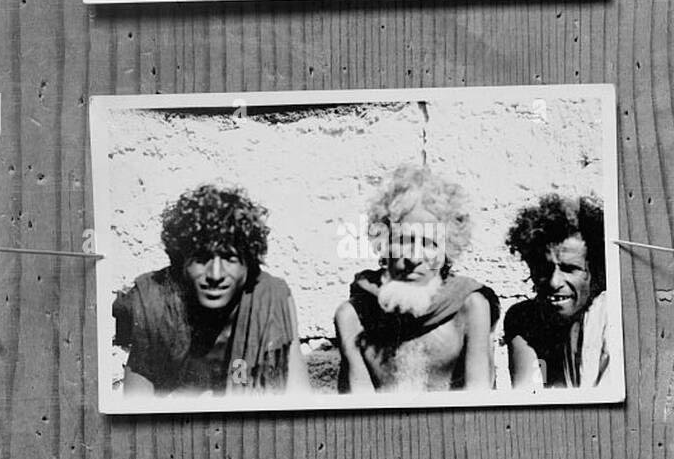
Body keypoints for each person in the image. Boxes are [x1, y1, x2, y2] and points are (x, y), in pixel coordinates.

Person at [113, 183, 310, 398]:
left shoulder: (271, 299)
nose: (215, 275)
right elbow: (137, 411)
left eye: (229, 258)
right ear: (181, 261)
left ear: (249, 262)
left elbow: (298, 398)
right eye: (201, 258)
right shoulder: (155, 303)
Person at [334, 163, 499, 394]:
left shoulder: (470, 308)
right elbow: (360, 418)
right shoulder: (354, 317)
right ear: (384, 244)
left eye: (430, 243)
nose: (414, 257)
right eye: (403, 241)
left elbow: (479, 406)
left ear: (446, 252)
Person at [503, 192, 609, 390]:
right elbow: (530, 397)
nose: (553, 282)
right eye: (544, 267)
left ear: (597, 272)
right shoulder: (526, 319)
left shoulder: (611, 319)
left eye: (570, 269)